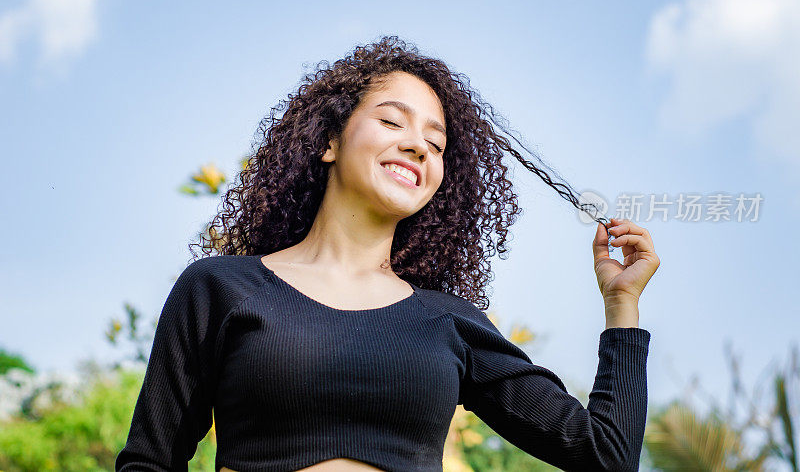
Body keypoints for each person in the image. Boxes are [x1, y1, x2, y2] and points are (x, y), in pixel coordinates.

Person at [116, 36, 659, 472]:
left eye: (436, 142)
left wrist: (622, 306)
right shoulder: (220, 289)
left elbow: (605, 457)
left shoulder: (448, 321)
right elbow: (149, 460)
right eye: (392, 121)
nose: (418, 145)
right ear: (329, 140)